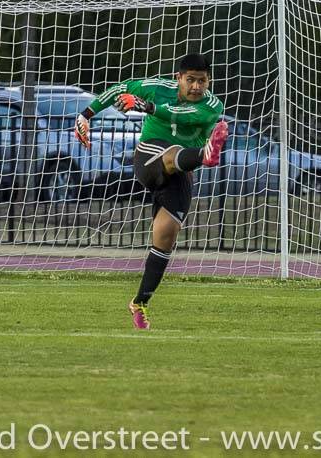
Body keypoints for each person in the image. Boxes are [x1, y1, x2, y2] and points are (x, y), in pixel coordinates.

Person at [76, 53, 227, 330]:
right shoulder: (157, 87)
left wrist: (146, 106)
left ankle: (140, 302)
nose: (196, 87)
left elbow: (179, 113)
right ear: (178, 78)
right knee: (172, 154)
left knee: (166, 236)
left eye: (202, 81)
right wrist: (86, 115)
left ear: (209, 81)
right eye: (190, 80)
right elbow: (121, 88)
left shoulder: (212, 105)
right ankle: (205, 153)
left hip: (179, 172)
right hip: (149, 156)